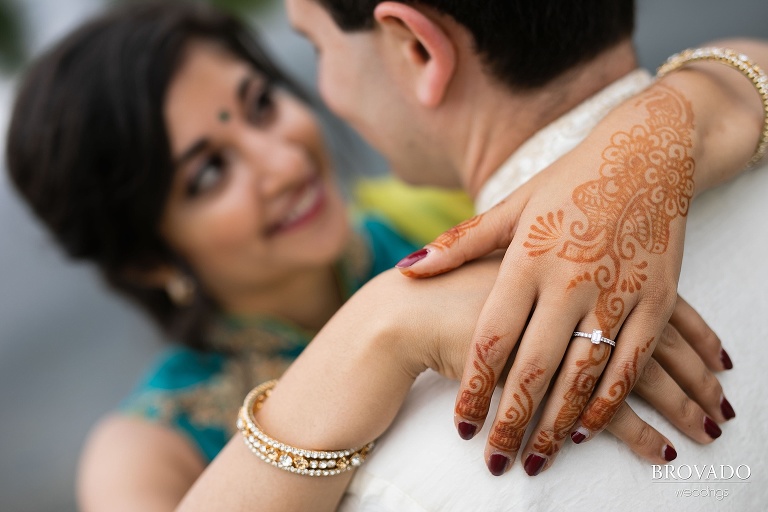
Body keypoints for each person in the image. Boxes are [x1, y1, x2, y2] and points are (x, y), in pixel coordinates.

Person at [5, 1, 763, 511]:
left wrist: (669, 125)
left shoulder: (433, 212)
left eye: (264, 104)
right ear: (144, 259)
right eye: (209, 172)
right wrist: (385, 320)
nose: (281, 163)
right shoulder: (142, 448)